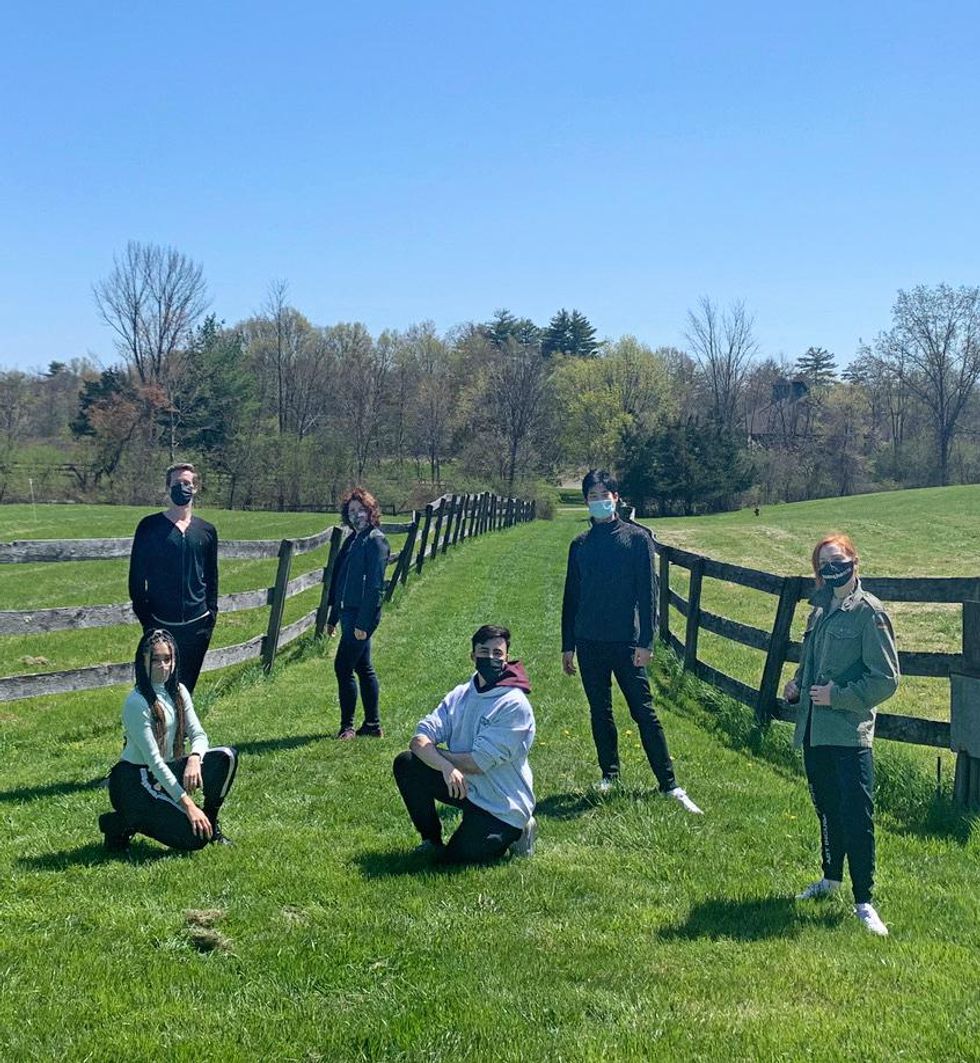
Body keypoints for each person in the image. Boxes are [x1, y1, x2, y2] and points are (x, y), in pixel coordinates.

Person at [561, 469, 702, 813]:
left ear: (616, 497)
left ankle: (669, 783)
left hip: (626, 642)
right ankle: (609, 774)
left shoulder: (637, 539)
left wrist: (646, 641)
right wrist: (568, 644)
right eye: (592, 496)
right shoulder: (580, 545)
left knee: (644, 712)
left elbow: (647, 594)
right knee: (600, 711)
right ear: (586, 501)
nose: (599, 501)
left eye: (604, 495)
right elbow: (571, 597)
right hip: (589, 641)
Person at [784, 533, 899, 936]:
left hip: (849, 732)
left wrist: (839, 696)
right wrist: (797, 683)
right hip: (814, 730)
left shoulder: (869, 613)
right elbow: (810, 660)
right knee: (826, 807)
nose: (831, 569)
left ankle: (864, 901)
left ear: (854, 561)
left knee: (856, 814)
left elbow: (886, 680)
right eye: (823, 565)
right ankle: (830, 878)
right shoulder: (819, 610)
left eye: (837, 561)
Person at [393, 624, 537, 864]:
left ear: (507, 658)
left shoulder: (513, 704)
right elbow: (418, 741)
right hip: (466, 786)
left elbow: (477, 763)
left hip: (501, 802)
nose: (490, 658)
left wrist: (438, 757)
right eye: (483, 652)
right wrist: (446, 767)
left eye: (497, 653)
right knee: (407, 763)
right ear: (472, 656)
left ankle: (520, 829)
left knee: (455, 861)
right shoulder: (460, 695)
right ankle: (431, 841)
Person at [98, 629, 238, 852]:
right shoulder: (136, 702)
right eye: (155, 660)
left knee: (226, 757)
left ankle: (211, 821)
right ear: (143, 661)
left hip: (165, 773)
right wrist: (189, 805)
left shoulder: (179, 691)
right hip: (133, 782)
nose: (163, 666)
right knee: (195, 839)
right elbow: (154, 761)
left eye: (167, 659)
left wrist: (194, 757)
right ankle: (119, 823)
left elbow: (199, 735)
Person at [128, 462, 219, 694]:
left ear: (196, 487)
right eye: (177, 483)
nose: (183, 488)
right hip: (162, 623)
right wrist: (148, 621)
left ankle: (182, 729)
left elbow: (211, 576)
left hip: (198, 624)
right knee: (157, 687)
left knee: (186, 688)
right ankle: (157, 728)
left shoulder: (206, 531)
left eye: (187, 483)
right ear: (167, 488)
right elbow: (137, 579)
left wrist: (211, 614)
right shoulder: (149, 527)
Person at [325, 487, 391, 739]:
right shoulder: (352, 540)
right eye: (351, 511)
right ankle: (373, 725)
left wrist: (363, 624)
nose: (356, 515)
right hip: (346, 613)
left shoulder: (376, 540)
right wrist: (333, 617)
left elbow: (375, 586)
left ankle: (347, 727)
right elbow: (340, 581)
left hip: (361, 616)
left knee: (343, 666)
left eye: (361, 510)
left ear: (371, 511)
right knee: (363, 667)